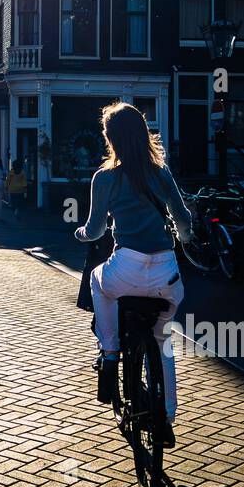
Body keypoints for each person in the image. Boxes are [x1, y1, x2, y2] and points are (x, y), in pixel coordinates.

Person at [75, 101, 193, 448]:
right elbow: (183, 221)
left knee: (99, 281)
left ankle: (110, 352)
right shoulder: (162, 173)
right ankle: (166, 415)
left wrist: (81, 234)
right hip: (165, 274)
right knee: (162, 341)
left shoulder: (105, 177)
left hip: (125, 266)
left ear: (110, 139)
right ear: (144, 134)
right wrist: (185, 239)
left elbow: (95, 230)